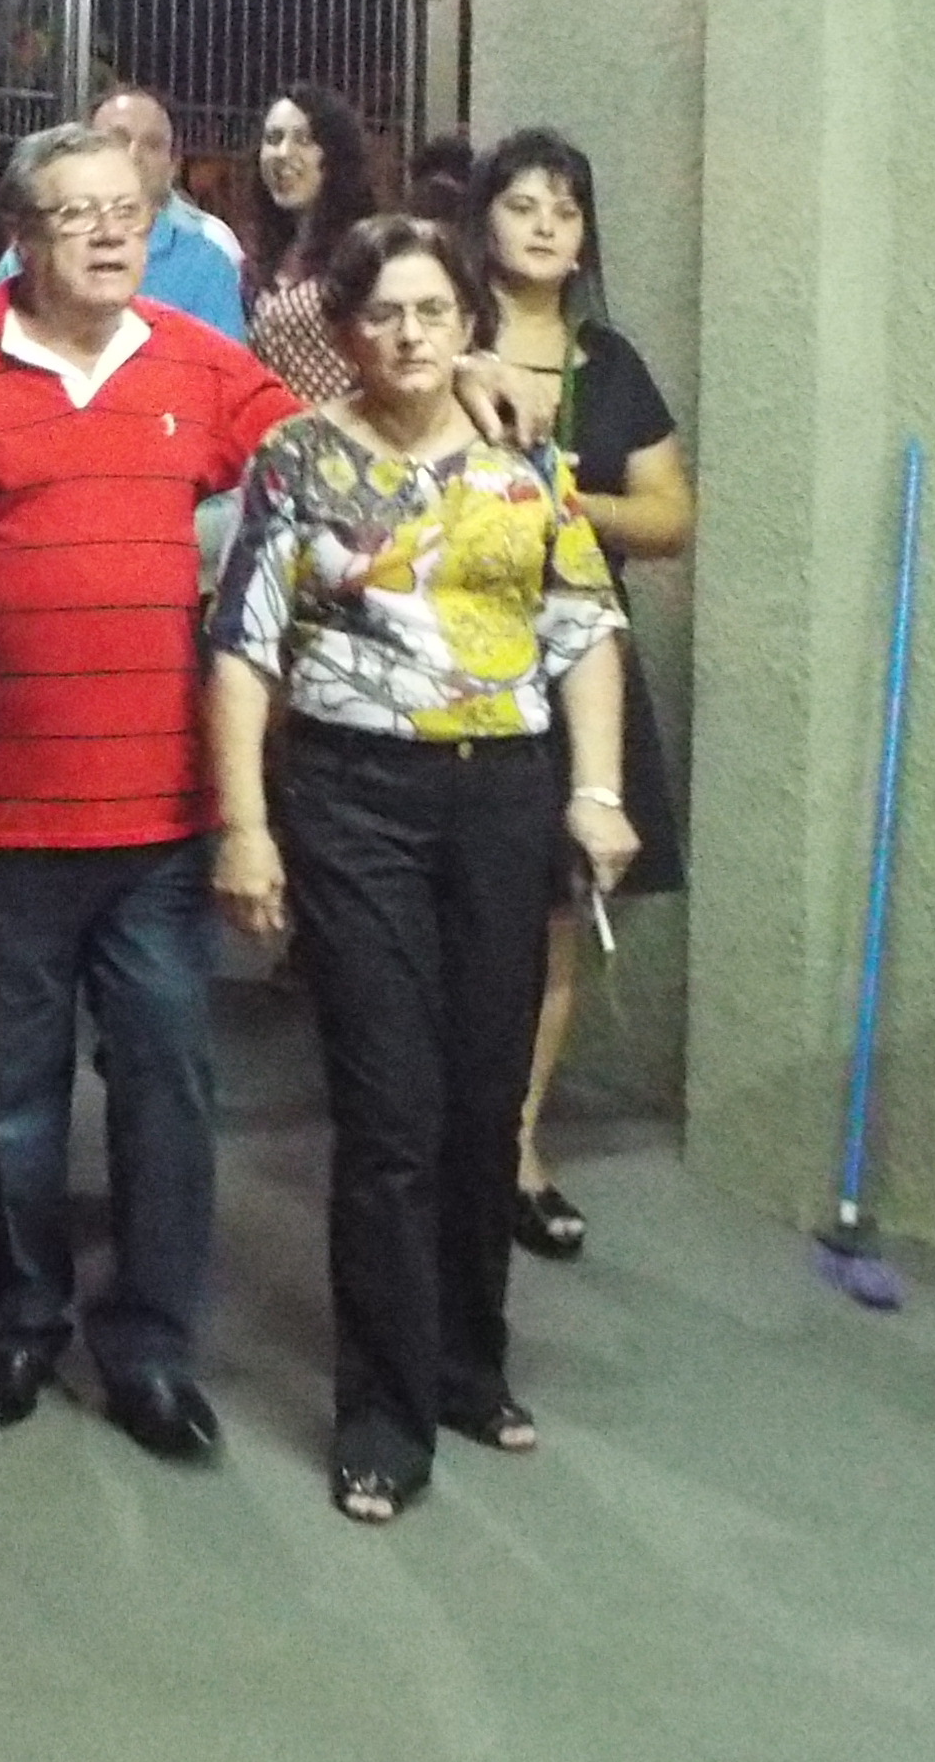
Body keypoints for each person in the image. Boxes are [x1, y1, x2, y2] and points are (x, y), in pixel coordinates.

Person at [0, 123, 302, 1461]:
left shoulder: (201, 365)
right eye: (77, 214)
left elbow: (330, 452)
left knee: (166, 1086)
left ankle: (150, 1346)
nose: (109, 234)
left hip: (159, 817)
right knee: (7, 1094)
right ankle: (20, 1320)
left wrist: (467, 375)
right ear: (20, 236)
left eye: (128, 212)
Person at [207, 213, 635, 1529]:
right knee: (389, 1112)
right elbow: (243, 648)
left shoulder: (523, 458)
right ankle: (383, 1415)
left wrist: (598, 792)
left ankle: (466, 1367)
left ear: (468, 325)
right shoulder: (297, 460)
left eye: (433, 312)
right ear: (347, 333)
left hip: (503, 798)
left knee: (485, 1101)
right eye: (384, 314)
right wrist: (246, 826)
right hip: (356, 801)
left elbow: (583, 627)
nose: (409, 335)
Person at [469, 125, 694, 1260]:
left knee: (554, 921)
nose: (547, 225)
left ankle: (514, 1146)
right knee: (458, 915)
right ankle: (443, 1139)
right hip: (455, 667)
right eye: (523, 205)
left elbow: (669, 516)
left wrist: (563, 503)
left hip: (580, 669)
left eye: (566, 208)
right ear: (483, 222)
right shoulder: (446, 341)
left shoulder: (611, 364)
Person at [0, 83, 251, 335]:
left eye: (153, 144)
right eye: (117, 139)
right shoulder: (38, 247)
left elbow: (222, 365)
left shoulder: (207, 264)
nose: (133, 155)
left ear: (174, 165)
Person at [237, 82, 382, 398]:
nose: (283, 153)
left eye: (304, 140)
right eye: (273, 139)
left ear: (336, 154)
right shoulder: (260, 256)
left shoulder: (368, 251)